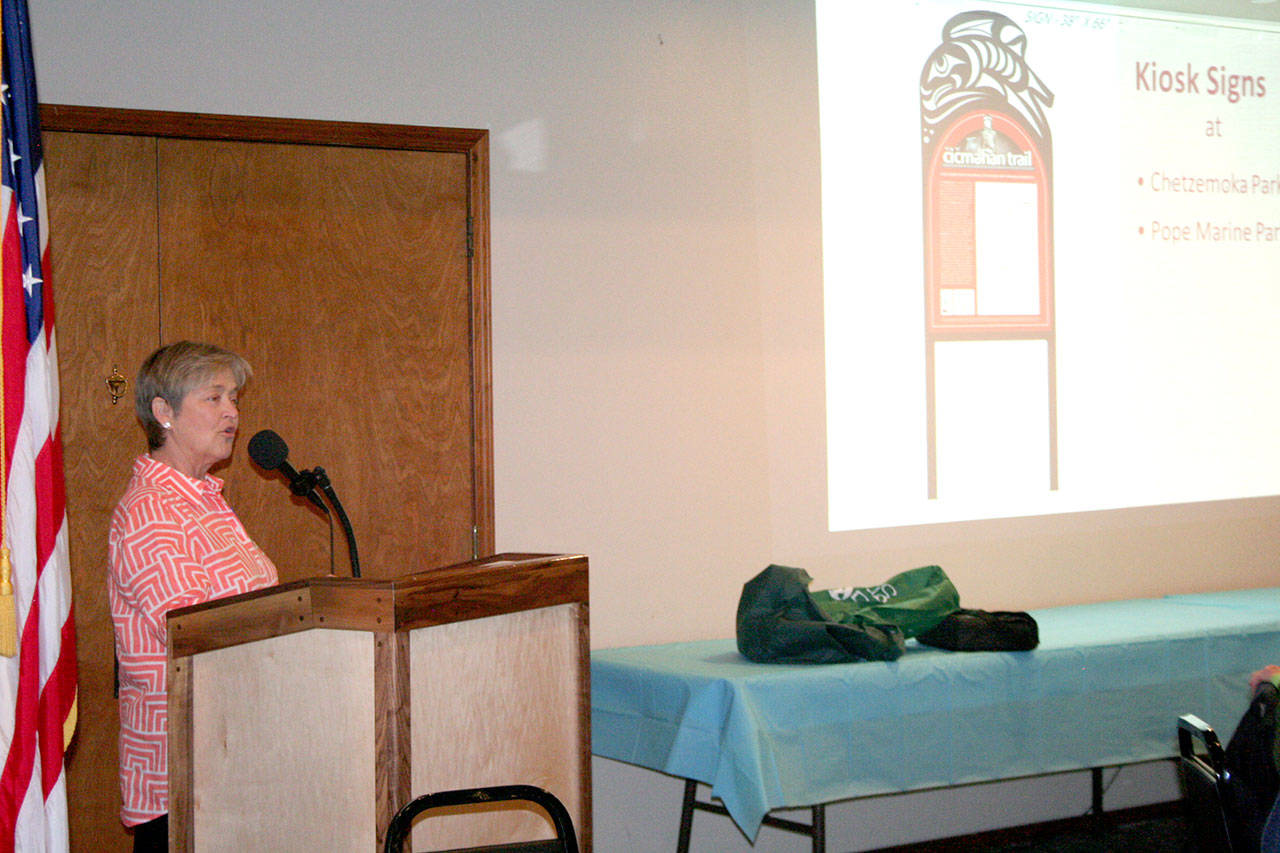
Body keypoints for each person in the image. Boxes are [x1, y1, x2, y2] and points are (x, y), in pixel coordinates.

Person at [107, 342, 278, 852]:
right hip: (183, 780)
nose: (233, 412)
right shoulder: (151, 512)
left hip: (233, 765)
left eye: (234, 398)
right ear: (164, 412)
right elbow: (199, 633)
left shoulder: (205, 501)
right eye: (214, 398)